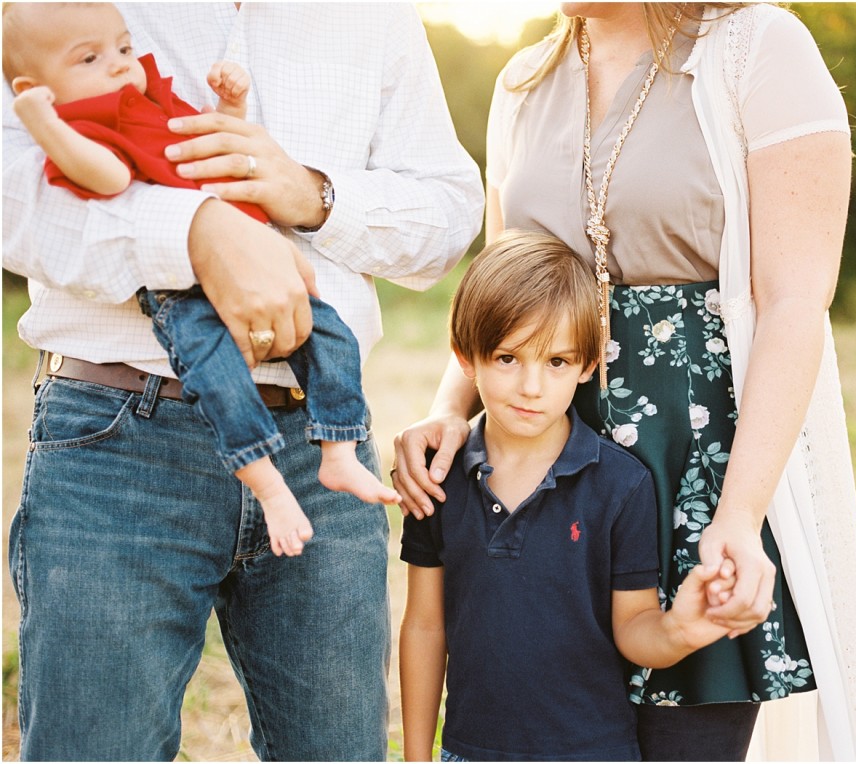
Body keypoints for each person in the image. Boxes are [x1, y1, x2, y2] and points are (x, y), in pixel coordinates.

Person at [392, 3, 856, 761]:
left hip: (701, 477)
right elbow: (509, 302)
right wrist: (447, 411)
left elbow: (795, 303)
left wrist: (739, 514)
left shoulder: (757, 51)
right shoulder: (523, 83)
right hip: (545, 472)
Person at [3, 1, 484, 760]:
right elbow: (11, 192)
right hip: (117, 438)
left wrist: (313, 194)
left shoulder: (379, 15)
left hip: (323, 445)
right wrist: (192, 231)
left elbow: (452, 212)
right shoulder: (59, 13)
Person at [5, 2, 400, 559]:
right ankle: (267, 485)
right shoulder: (79, 129)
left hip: (274, 270)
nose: (120, 64)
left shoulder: (146, 101)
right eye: (91, 58)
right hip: (180, 290)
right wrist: (43, 122)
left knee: (332, 337)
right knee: (216, 374)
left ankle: (337, 449)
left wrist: (230, 104)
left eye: (123, 46)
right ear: (35, 87)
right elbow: (112, 176)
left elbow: (217, 143)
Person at [399, 230, 739, 762]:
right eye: (508, 358)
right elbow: (424, 625)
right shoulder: (438, 479)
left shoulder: (621, 485)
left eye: (556, 361)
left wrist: (680, 631)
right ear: (467, 357)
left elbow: (634, 627)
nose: (531, 387)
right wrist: (416, 757)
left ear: (586, 365)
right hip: (469, 752)